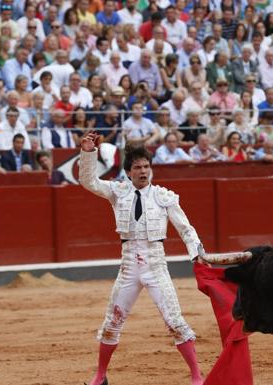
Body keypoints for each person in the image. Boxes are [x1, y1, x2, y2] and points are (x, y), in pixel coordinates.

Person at [79, 133, 205, 385]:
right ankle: (100, 376)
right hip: (128, 266)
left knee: (175, 321)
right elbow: (88, 181)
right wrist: (88, 153)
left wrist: (197, 253)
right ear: (128, 171)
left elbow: (185, 228)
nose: (143, 171)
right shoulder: (118, 192)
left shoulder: (164, 196)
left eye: (146, 166)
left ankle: (196, 377)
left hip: (156, 264)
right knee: (111, 323)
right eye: (137, 167)